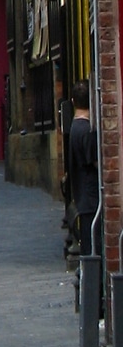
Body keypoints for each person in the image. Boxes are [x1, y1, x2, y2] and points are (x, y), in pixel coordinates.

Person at [69, 79, 99, 256]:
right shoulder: (87, 131)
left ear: (73, 101)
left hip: (82, 196)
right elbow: (94, 162)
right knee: (93, 247)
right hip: (92, 198)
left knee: (88, 246)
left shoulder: (74, 127)